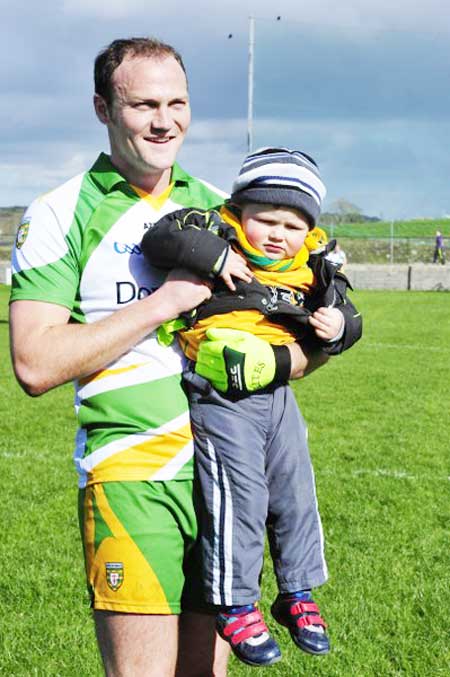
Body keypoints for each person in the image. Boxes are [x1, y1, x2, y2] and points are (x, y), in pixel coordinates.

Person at [8, 39, 327, 677]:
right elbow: (34, 363)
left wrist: (287, 361)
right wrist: (165, 302)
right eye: (143, 104)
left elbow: (302, 338)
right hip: (133, 477)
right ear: (103, 108)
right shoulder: (59, 213)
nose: (164, 121)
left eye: (177, 103)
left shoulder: (223, 208)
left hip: (226, 477)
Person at [141, 147, 363, 667]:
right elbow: (160, 239)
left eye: (291, 223)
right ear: (240, 211)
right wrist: (215, 258)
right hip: (221, 395)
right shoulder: (212, 232)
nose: (276, 233)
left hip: (278, 395)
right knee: (238, 496)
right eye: (264, 218)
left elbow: (350, 314)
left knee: (295, 490)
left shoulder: (314, 264)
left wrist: (338, 327)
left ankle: (297, 592)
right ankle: (234, 602)